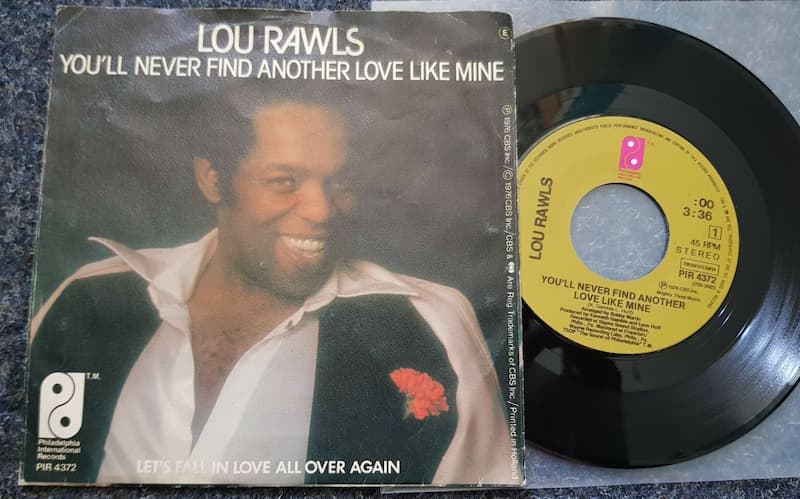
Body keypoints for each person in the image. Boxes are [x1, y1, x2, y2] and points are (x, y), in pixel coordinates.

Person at [26, 99, 513, 486]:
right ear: (213, 179)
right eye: (284, 181)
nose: (321, 210)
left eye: (339, 182)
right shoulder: (89, 298)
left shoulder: (430, 323)